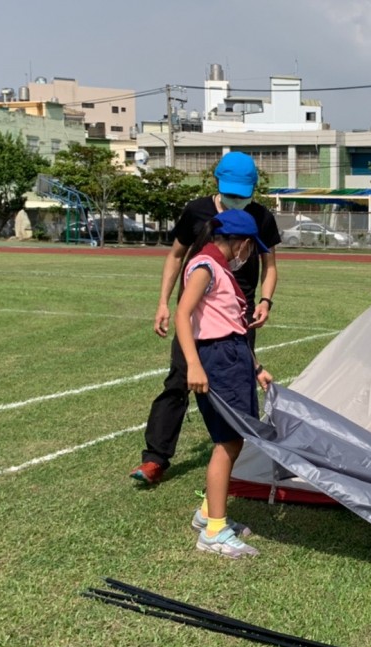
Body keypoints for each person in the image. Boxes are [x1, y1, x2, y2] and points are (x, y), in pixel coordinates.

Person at [131, 152, 281, 485]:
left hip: (237, 319)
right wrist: (163, 303)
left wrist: (266, 302)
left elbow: (270, 267)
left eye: (244, 193)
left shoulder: (261, 217)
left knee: (239, 387)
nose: (237, 200)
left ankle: (235, 458)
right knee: (178, 382)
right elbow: (175, 256)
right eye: (232, 192)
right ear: (217, 183)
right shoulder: (197, 211)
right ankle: (155, 458)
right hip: (197, 317)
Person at [176, 208, 273, 558]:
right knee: (227, 441)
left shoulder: (217, 269)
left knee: (234, 438)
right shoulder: (206, 267)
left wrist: (256, 366)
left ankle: (207, 515)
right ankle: (214, 531)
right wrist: (193, 366)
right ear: (242, 243)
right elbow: (182, 315)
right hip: (216, 359)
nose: (248, 256)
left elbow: (232, 325)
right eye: (250, 248)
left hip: (233, 355)